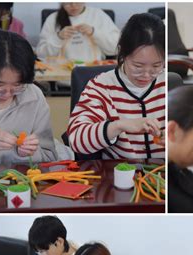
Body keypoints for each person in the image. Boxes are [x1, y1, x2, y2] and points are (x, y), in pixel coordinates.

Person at [68, 13, 164, 159]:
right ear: (122, 53)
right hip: (121, 175)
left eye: (156, 66)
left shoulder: (168, 84)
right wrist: (118, 126)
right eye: (138, 66)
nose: (146, 75)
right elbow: (76, 140)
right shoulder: (102, 86)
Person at [0, 30, 58, 164]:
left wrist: (26, 154)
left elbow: (49, 156)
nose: (8, 94)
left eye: (17, 85)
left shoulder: (33, 96)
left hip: (20, 182)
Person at [37, 3, 120, 62]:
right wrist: (58, 37)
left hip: (94, 75)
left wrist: (94, 32)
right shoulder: (52, 19)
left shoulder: (98, 15)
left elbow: (116, 49)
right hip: (62, 77)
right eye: (68, 2)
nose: (74, 5)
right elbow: (41, 55)